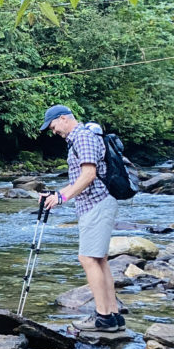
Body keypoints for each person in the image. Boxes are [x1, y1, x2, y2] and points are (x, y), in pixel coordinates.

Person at [40, 104, 124, 332]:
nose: (53, 131)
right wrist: (56, 194)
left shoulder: (83, 137)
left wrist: (63, 197)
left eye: (53, 125)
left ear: (64, 118)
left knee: (87, 259)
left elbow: (89, 175)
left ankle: (103, 318)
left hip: (96, 204)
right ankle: (113, 315)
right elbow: (81, 177)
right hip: (97, 203)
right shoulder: (82, 137)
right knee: (99, 259)